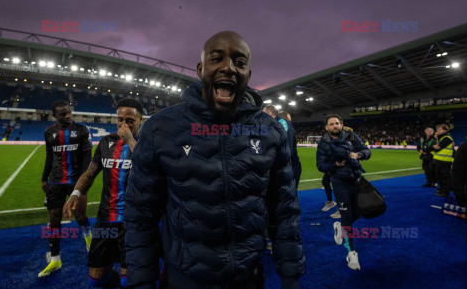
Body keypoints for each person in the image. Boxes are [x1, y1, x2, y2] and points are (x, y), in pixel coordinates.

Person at [124, 31, 306, 289]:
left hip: (249, 280)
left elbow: (284, 209)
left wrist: (290, 276)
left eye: (240, 63)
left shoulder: (270, 131)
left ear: (249, 76)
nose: (228, 68)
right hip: (183, 281)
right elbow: (140, 212)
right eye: (216, 58)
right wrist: (141, 279)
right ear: (200, 69)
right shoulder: (161, 128)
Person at [63, 99, 143, 288]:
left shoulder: (147, 143)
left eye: (130, 120)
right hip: (105, 218)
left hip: (133, 222)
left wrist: (130, 141)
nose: (124, 124)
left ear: (140, 119)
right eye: (120, 119)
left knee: (128, 280)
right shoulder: (106, 142)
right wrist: (75, 194)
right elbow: (90, 174)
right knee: (97, 279)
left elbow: (151, 169)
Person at [38, 100, 93, 278]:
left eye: (69, 112)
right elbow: (49, 156)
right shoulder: (49, 132)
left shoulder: (82, 130)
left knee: (80, 216)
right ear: (55, 115)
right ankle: (55, 259)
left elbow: (87, 158)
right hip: (55, 182)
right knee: (54, 219)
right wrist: (44, 178)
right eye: (62, 114)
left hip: (76, 182)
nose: (67, 116)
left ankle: (89, 239)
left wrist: (83, 182)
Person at [316, 114, 371, 270]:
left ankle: (339, 226)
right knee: (347, 217)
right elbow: (320, 165)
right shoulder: (324, 143)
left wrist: (359, 155)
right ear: (326, 127)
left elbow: (367, 151)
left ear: (341, 124)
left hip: (356, 180)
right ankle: (351, 253)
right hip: (339, 183)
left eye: (337, 123)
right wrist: (335, 164)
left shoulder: (352, 136)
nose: (335, 126)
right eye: (331, 124)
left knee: (357, 214)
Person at [429, 124, 455, 197]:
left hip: (445, 161)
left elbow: (437, 147)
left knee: (445, 177)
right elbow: (435, 147)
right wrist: (436, 138)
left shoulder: (447, 138)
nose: (438, 131)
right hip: (438, 161)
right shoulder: (440, 138)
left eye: (440, 129)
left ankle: (445, 192)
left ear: (445, 130)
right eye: (437, 129)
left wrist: (432, 147)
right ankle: (442, 189)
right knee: (439, 177)